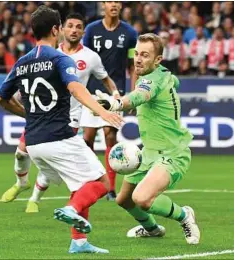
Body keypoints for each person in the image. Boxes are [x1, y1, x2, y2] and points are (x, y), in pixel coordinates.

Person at [0, 5, 122, 254]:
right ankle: (71, 210)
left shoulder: (22, 63)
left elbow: (1, 98)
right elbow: (76, 88)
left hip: (33, 142)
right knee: (101, 182)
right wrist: (103, 111)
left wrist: (27, 114)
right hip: (60, 137)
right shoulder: (60, 58)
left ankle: (79, 242)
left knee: (80, 187)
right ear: (56, 29)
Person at [95, 33, 200, 244]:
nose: (138, 59)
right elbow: (171, 83)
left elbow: (139, 95)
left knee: (141, 199)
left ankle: (184, 215)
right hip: (149, 153)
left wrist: (115, 104)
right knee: (123, 200)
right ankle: (152, 229)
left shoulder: (152, 81)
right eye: (137, 54)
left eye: (145, 55)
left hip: (172, 153)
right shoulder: (162, 76)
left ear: (158, 59)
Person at [81, 1, 138, 200]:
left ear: (121, 6)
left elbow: (133, 67)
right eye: (109, 1)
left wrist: (132, 96)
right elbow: (82, 59)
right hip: (90, 91)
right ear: (102, 5)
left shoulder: (130, 33)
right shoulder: (91, 30)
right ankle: (91, 179)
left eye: (117, 1)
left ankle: (110, 188)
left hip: (115, 92)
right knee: (87, 138)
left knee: (110, 136)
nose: (113, 4)